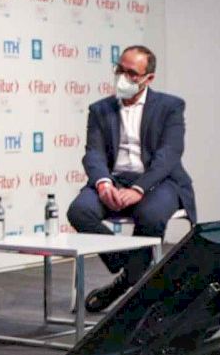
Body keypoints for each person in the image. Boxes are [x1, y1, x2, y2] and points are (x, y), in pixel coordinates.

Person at [66, 45, 196, 312]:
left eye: (132, 73)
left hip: (158, 181)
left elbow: (169, 155)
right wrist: (103, 183)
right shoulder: (100, 109)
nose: (123, 77)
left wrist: (139, 188)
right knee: (79, 210)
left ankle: (125, 282)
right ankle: (131, 268)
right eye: (120, 69)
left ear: (149, 78)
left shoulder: (170, 107)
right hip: (114, 179)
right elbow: (93, 153)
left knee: (151, 215)